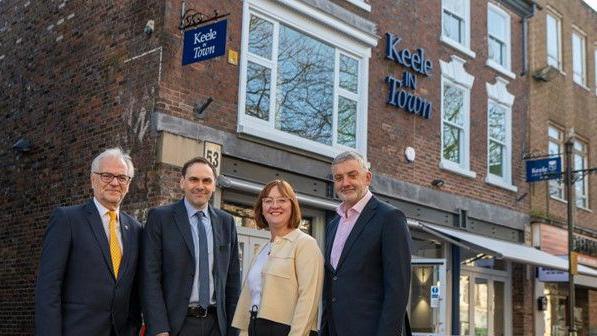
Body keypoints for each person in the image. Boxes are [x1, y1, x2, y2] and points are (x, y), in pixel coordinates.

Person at [35, 148, 142, 336]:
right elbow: (48, 287)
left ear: (128, 184)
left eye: (122, 177)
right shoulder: (67, 220)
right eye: (107, 175)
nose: (115, 183)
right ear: (93, 179)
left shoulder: (135, 229)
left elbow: (134, 289)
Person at [142, 157, 241, 336]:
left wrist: (233, 329)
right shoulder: (160, 218)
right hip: (175, 326)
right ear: (182, 182)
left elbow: (233, 281)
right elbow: (149, 277)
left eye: (207, 181)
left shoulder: (227, 222)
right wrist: (158, 328)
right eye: (194, 179)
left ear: (214, 185)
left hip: (217, 326)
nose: (200, 186)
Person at [321, 151, 412, 336]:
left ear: (367, 177)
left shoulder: (390, 218)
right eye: (338, 178)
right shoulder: (333, 225)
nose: (345, 183)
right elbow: (332, 285)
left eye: (352, 175)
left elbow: (398, 291)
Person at [232, 179, 323, 336]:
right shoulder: (262, 250)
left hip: (286, 330)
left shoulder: (305, 244)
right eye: (268, 201)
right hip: (256, 326)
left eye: (282, 200)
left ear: (292, 206)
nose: (274, 206)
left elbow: (308, 300)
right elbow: (251, 298)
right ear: (262, 208)